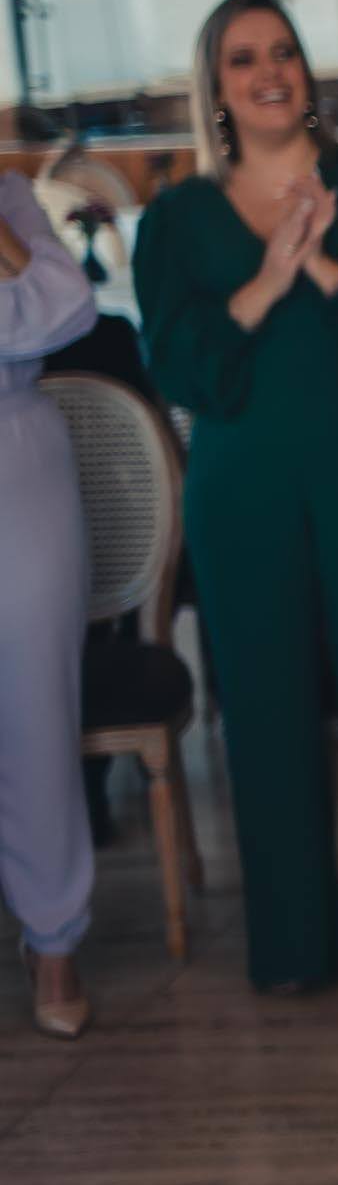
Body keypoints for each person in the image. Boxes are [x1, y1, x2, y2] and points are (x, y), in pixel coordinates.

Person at [134, 0, 338, 992]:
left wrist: (320, 260)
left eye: (282, 50)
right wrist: (267, 275)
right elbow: (183, 367)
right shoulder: (177, 217)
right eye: (244, 58)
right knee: (266, 704)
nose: (270, 69)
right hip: (243, 489)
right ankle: (293, 944)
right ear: (219, 87)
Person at [1, 169, 100, 1038]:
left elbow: (68, 308)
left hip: (16, 461)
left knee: (36, 707)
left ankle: (54, 936)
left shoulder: (13, 198)